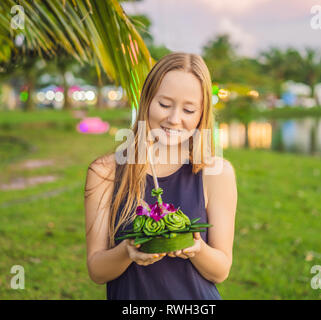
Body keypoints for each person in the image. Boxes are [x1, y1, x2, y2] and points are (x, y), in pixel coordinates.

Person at [84, 52, 237, 300]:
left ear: (201, 114)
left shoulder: (216, 173)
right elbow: (97, 271)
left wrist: (196, 249)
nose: (174, 119)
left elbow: (220, 271)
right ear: (146, 101)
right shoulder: (104, 173)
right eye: (164, 104)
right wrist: (127, 251)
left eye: (188, 110)